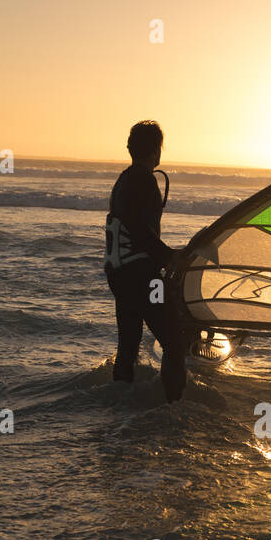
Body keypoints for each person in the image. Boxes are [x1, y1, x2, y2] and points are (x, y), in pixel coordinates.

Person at [103, 120, 190, 402]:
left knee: (128, 342)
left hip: (119, 274)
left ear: (130, 148)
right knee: (175, 343)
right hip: (142, 276)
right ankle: (173, 408)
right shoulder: (144, 179)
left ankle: (119, 403)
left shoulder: (124, 179)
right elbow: (140, 230)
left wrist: (163, 255)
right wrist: (168, 257)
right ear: (157, 150)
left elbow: (130, 227)